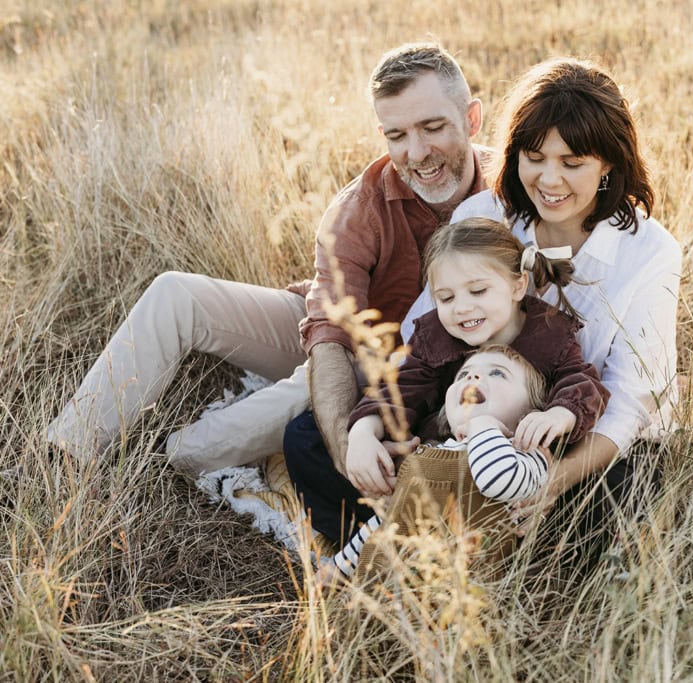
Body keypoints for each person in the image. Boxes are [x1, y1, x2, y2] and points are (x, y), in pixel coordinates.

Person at [46, 43, 488, 474]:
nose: (416, 153)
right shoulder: (359, 209)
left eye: (433, 128)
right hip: (337, 335)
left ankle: (172, 458)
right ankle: (67, 452)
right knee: (176, 293)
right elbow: (329, 334)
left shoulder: (508, 191)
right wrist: (342, 444)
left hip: (407, 366)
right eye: (397, 135)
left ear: (472, 119)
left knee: (326, 381)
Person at [403, 57, 682, 567]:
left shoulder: (651, 253)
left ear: (609, 166)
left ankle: (518, 553)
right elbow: (420, 331)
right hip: (477, 419)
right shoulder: (483, 216)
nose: (549, 180)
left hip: (588, 440)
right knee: (312, 440)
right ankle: (415, 542)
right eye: (535, 157)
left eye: (573, 162)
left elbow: (629, 405)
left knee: (609, 504)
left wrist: (554, 480)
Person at [288, 216, 609, 541]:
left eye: (478, 291)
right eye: (447, 298)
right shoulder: (436, 334)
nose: (462, 308)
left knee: (604, 489)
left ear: (517, 285)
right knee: (304, 435)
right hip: (441, 458)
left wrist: (559, 414)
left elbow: (582, 381)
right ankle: (370, 537)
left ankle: (511, 549)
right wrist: (362, 434)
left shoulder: (549, 333)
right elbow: (400, 389)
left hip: (514, 470)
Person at [324, 345, 554, 585]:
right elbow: (390, 518)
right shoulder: (432, 454)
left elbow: (497, 482)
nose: (473, 377)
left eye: (498, 373)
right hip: (388, 585)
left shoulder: (529, 456)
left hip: (464, 596)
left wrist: (483, 426)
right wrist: (340, 567)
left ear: (530, 413)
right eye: (464, 375)